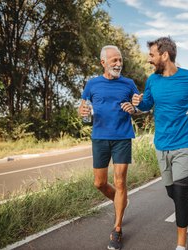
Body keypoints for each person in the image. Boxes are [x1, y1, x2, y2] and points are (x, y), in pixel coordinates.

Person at [132, 37, 188, 250]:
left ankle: (181, 245)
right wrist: (139, 102)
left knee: (180, 193)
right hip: (161, 144)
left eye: (152, 55)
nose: (149, 59)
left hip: (185, 143)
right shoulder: (152, 80)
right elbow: (147, 104)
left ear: (164, 55)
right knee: (171, 192)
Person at [79, 45, 138, 250]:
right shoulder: (92, 84)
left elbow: (138, 106)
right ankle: (120, 201)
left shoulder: (129, 84)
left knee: (120, 180)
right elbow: (84, 111)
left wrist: (135, 108)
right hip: (100, 138)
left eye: (120, 60)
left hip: (122, 137)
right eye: (114, 60)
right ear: (103, 62)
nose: (118, 64)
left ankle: (117, 229)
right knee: (99, 183)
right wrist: (83, 113)